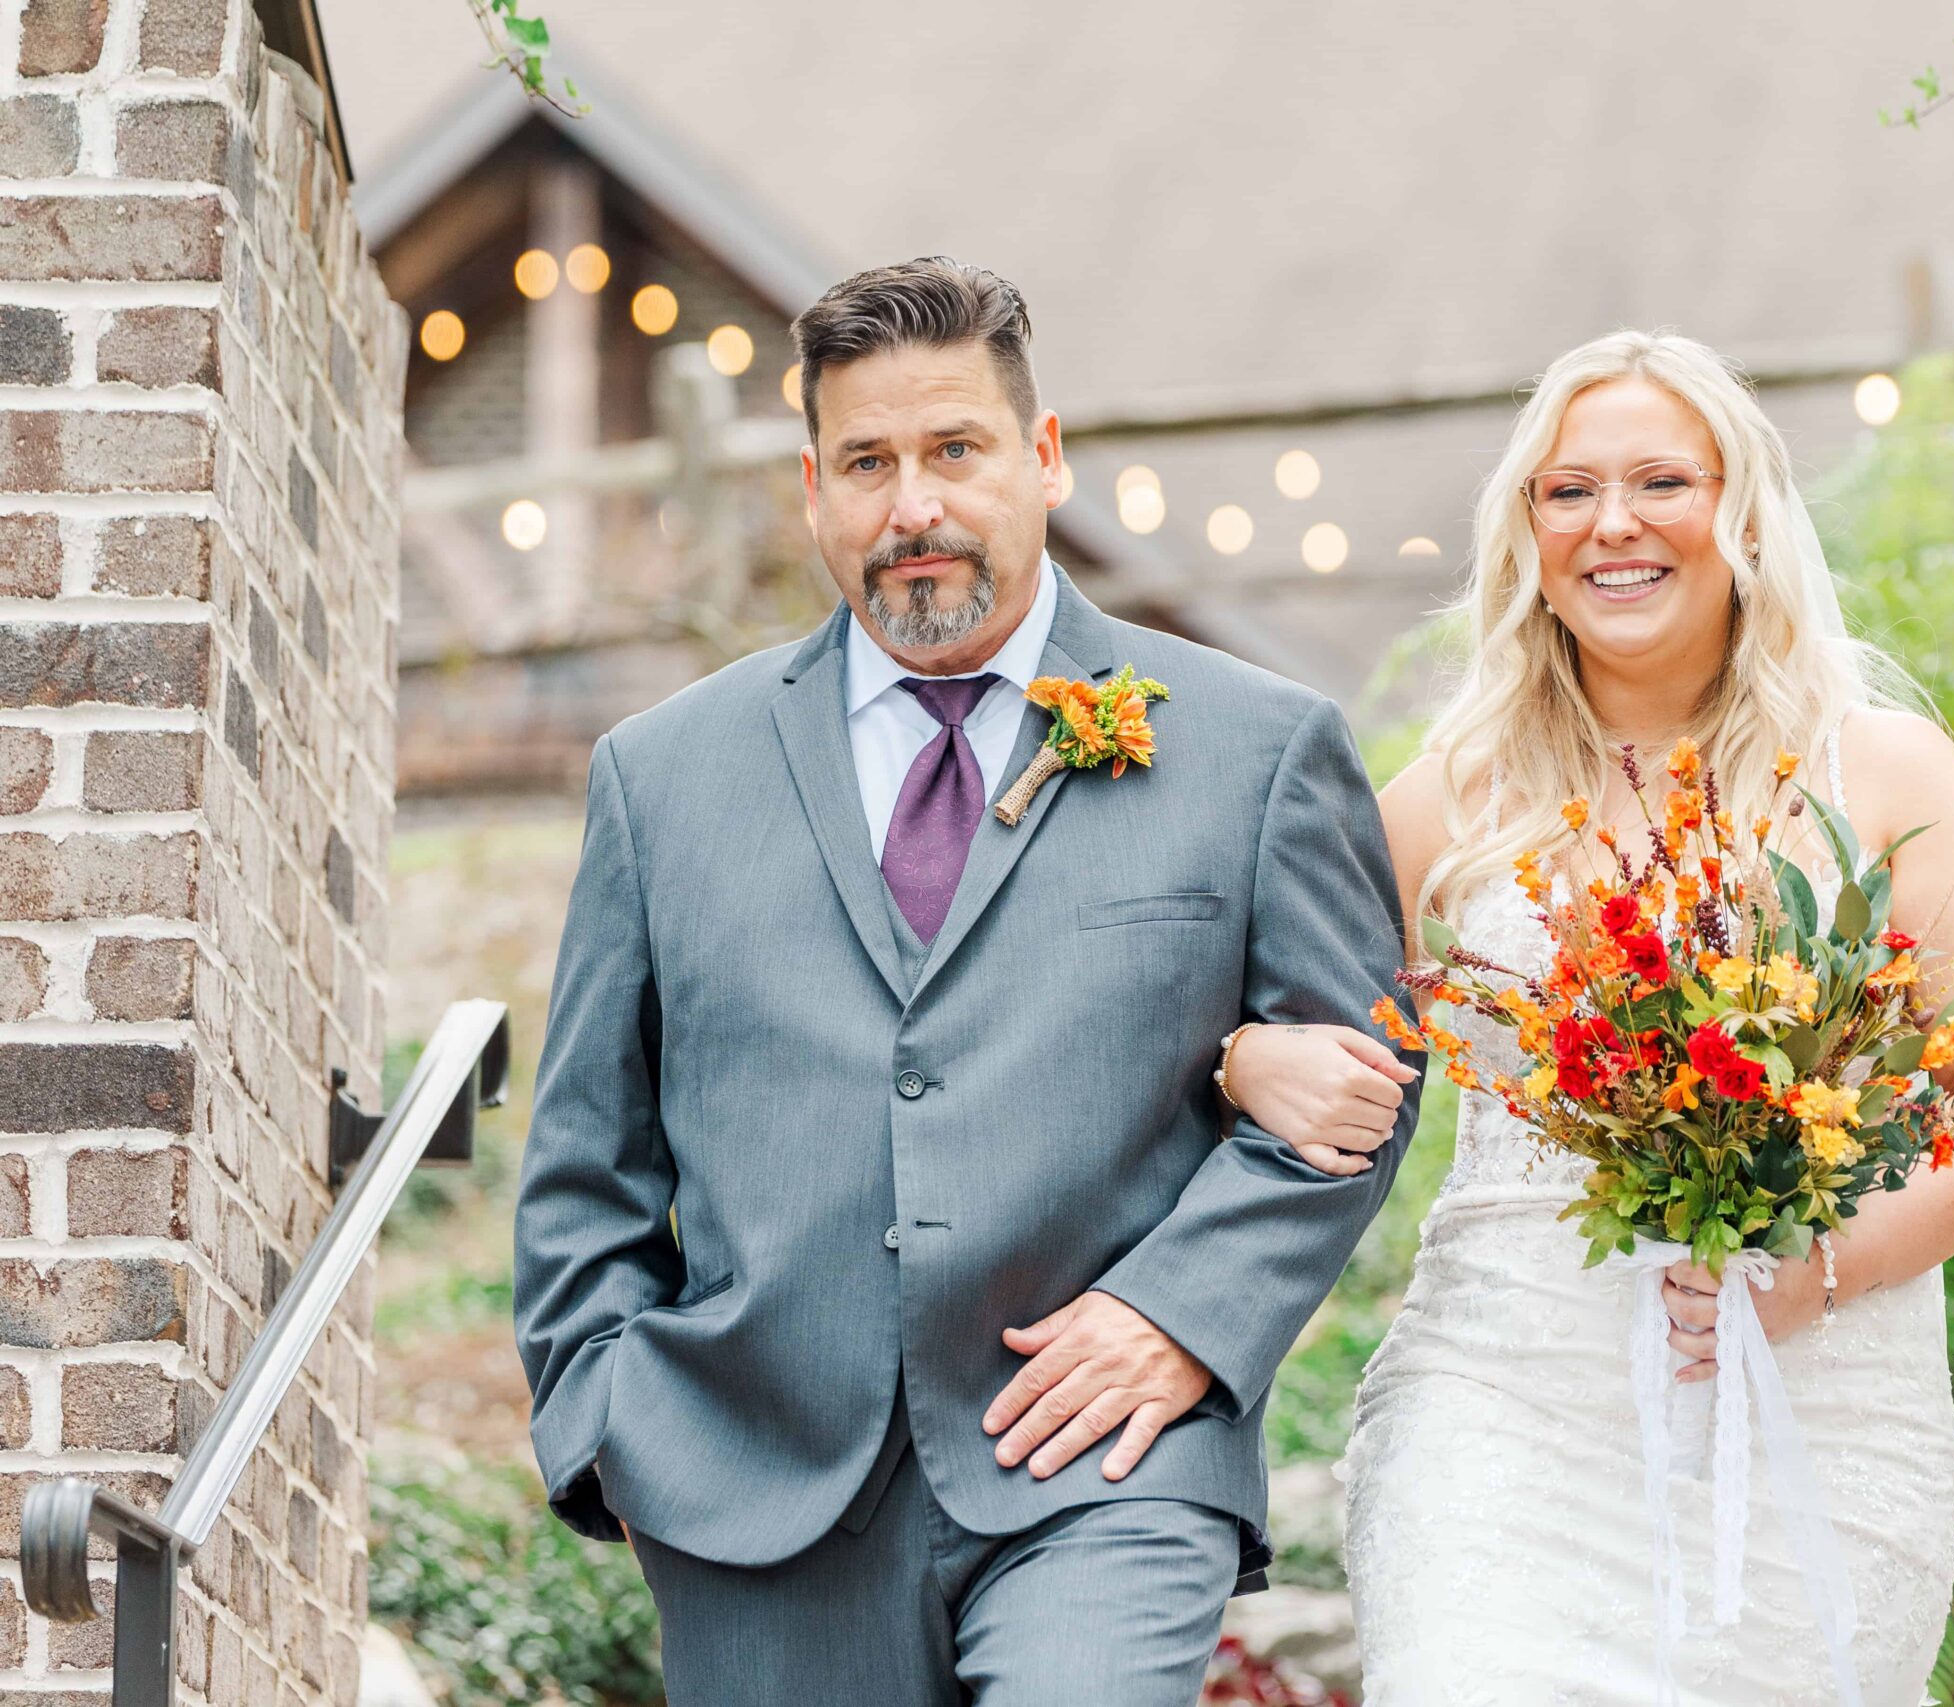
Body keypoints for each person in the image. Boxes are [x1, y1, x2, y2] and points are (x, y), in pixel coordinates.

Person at [512, 257, 1423, 1707]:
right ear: (813, 488)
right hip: (755, 1488)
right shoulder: (661, 777)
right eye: (866, 463)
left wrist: (1185, 1316)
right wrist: (604, 1415)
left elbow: (1359, 1088)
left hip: (1109, 1465)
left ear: (1043, 458)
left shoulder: (1255, 748)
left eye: (953, 452)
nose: (912, 506)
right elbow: (584, 1156)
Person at [1219, 329, 1954, 1703]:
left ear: (1742, 514)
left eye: (1662, 482)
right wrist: (1248, 1053)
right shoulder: (1451, 799)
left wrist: (1822, 1269)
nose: (1613, 524)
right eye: (1567, 492)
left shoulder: (1884, 771)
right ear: (1526, 535)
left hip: (1822, 1406)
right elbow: (1279, 1022)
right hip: (1502, 1419)